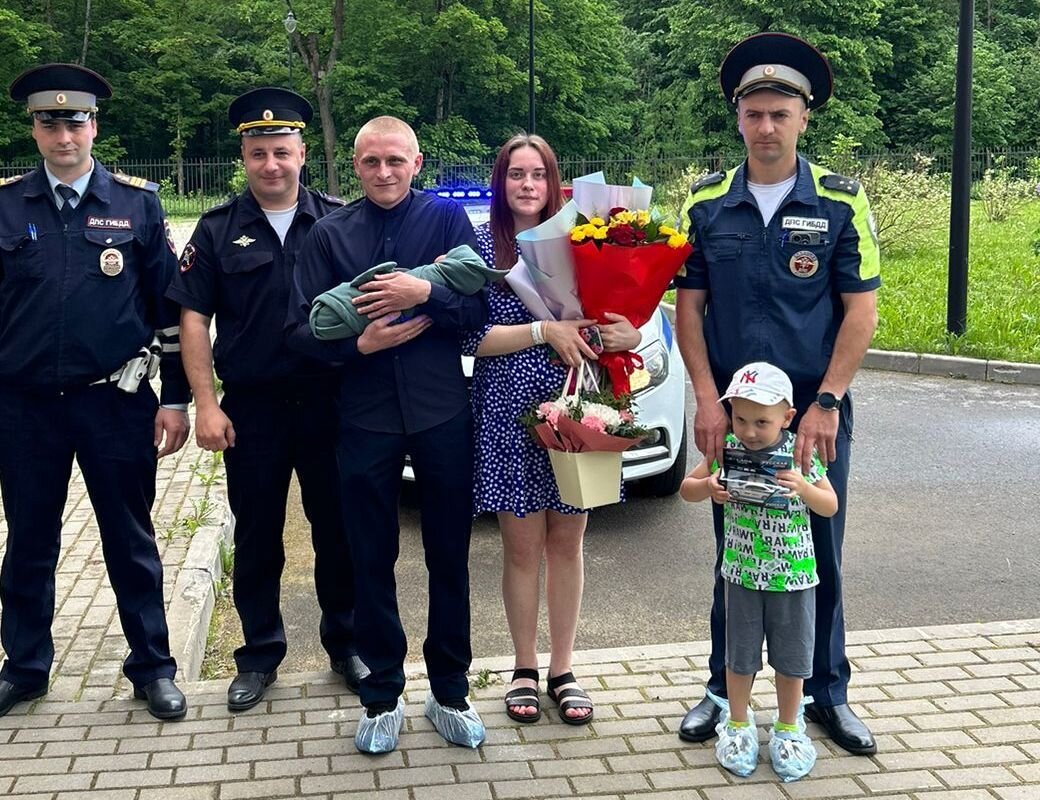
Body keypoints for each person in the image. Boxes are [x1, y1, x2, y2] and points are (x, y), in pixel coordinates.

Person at [0, 63, 191, 725]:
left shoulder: (137, 203)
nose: (64, 133)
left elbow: (167, 309)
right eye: (50, 121)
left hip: (115, 403)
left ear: (94, 125)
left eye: (75, 120)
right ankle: (24, 670)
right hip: (25, 407)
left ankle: (153, 669)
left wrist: (175, 398)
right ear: (34, 128)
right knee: (28, 544)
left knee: (131, 541)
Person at [674, 32, 881, 755]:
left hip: (810, 418)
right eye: (755, 113)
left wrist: (826, 402)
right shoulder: (705, 204)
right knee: (732, 548)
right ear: (738, 118)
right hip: (732, 420)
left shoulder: (841, 203)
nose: (766, 126)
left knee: (815, 550)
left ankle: (827, 693)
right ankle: (719, 690)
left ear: (803, 119)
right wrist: (704, 397)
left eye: (780, 114)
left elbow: (861, 310)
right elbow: (688, 308)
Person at [286, 116, 487, 753]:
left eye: (395, 160)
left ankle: (450, 690)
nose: (384, 172)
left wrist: (423, 286)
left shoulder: (449, 224)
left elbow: (477, 311)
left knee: (448, 555)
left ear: (418, 161)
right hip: (363, 417)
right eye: (371, 162)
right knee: (369, 558)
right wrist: (359, 343)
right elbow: (299, 333)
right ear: (355, 165)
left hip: (440, 411)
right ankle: (381, 694)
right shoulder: (326, 234)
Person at [164, 87, 365, 713]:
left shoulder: (337, 221)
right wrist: (206, 402)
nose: (271, 164)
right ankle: (258, 656)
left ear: (303, 152)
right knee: (257, 536)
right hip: (252, 408)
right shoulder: (219, 228)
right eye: (258, 153)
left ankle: (347, 646)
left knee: (339, 531)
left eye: (282, 151)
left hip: (331, 400)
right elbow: (193, 320)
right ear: (243, 158)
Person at [461, 134, 641, 726]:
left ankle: (564, 668)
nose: (528, 185)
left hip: (578, 412)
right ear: (500, 181)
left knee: (568, 542)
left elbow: (622, 323)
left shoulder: (584, 243)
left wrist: (625, 336)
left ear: (554, 181)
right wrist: (545, 333)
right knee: (520, 548)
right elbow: (473, 340)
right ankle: (522, 666)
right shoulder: (481, 248)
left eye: (538, 174)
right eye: (516, 174)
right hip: (510, 415)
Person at [681, 362, 838, 782]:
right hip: (743, 574)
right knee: (740, 656)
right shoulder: (727, 450)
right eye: (741, 418)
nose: (749, 431)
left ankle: (789, 728)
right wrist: (708, 488)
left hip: (793, 576)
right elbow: (686, 489)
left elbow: (830, 504)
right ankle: (737, 724)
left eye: (762, 421)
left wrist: (804, 488)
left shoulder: (799, 454)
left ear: (788, 417)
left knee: (792, 658)